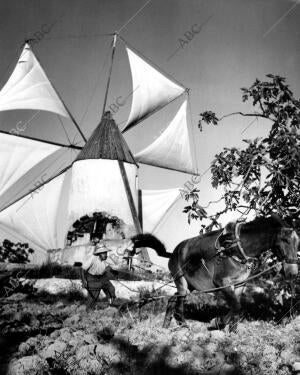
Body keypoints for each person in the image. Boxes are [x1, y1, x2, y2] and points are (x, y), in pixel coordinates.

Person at [81, 241, 117, 310]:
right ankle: (88, 312)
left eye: (106, 253)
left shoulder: (106, 260)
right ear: (99, 253)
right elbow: (83, 269)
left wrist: (114, 272)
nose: (105, 254)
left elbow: (109, 268)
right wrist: (84, 281)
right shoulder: (92, 259)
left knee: (111, 289)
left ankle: (110, 307)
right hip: (92, 278)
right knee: (93, 298)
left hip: (102, 278)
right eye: (103, 253)